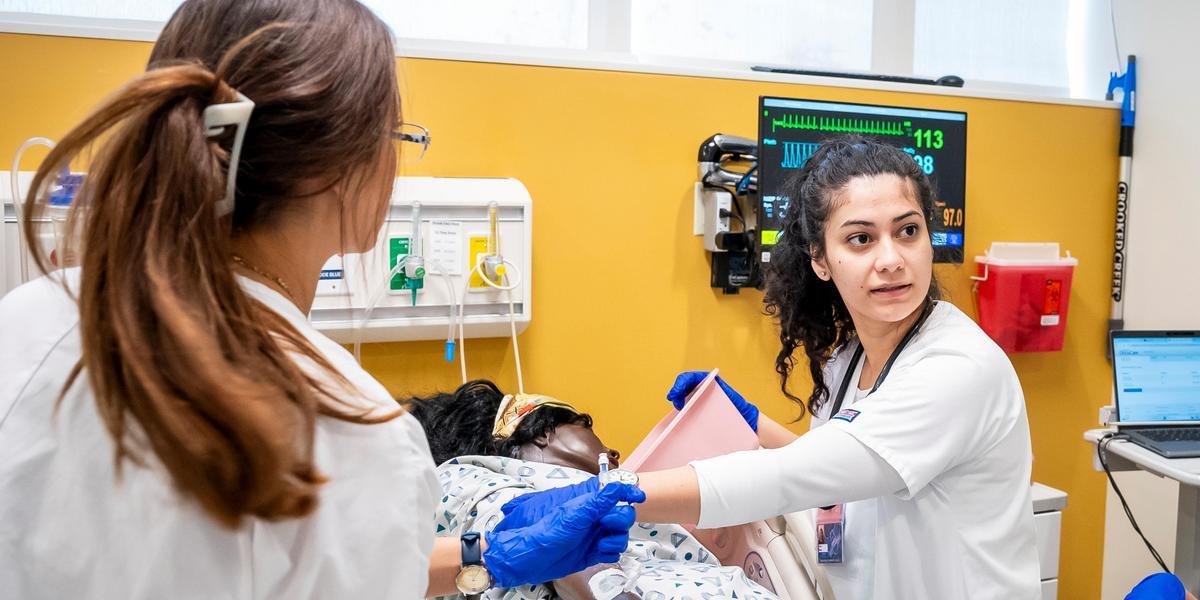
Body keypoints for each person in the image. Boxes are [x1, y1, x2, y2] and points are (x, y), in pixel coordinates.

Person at [0, 2, 639, 598]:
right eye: (396, 136)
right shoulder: (357, 437)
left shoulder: (27, 318)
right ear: (346, 169)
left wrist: (485, 553)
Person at [515, 137, 1042, 598]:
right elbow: (846, 471)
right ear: (820, 258)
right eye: (861, 239)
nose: (891, 258)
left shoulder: (957, 371)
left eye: (907, 231)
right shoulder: (849, 360)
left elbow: (794, 477)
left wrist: (608, 494)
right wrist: (754, 425)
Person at [404, 380, 778, 600]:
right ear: (540, 431)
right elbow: (569, 558)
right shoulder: (468, 476)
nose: (613, 451)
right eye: (587, 427)